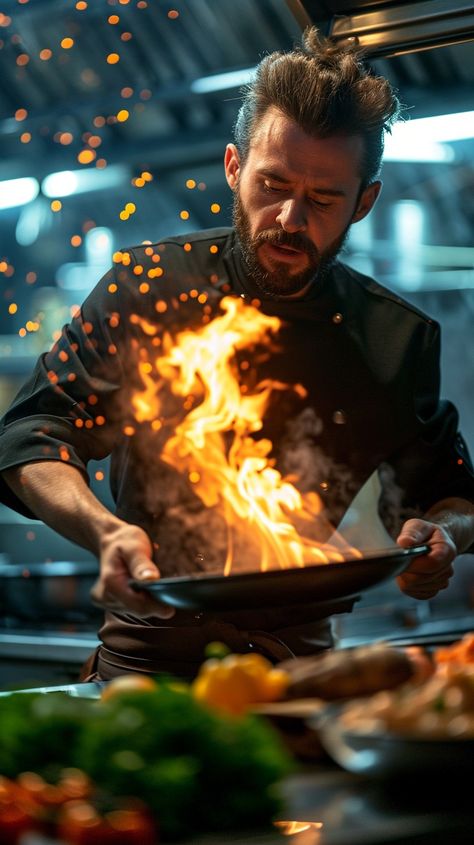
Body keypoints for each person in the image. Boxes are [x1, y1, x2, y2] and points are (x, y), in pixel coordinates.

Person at [1, 28, 473, 680]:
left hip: (298, 675)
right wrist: (106, 530)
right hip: (147, 664)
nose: (288, 217)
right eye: (272, 183)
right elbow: (31, 435)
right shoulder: (146, 290)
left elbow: (450, 494)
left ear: (364, 202)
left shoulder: (394, 337)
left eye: (323, 198)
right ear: (233, 166)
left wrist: (442, 539)